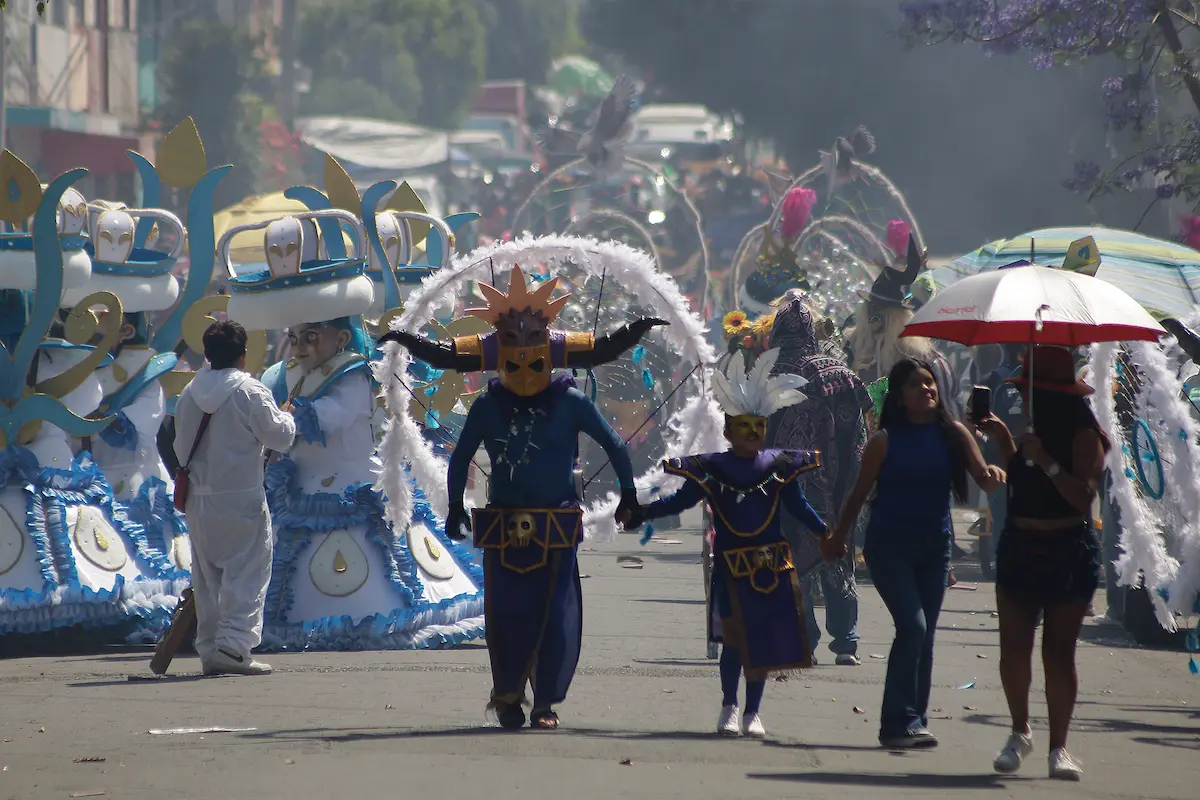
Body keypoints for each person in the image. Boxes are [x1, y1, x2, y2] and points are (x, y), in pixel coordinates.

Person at [382, 266, 659, 730]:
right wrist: (453, 507)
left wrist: (629, 495)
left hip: (556, 522)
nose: (526, 372)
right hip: (505, 524)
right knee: (507, 615)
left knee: (556, 613)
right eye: (515, 362)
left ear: (550, 356)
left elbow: (614, 443)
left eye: (535, 361)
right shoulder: (490, 406)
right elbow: (461, 456)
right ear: (499, 359)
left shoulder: (571, 403)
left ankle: (545, 701)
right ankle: (508, 694)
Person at [625, 348, 828, 738]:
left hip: (770, 566)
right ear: (729, 429)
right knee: (735, 639)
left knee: (761, 642)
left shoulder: (780, 466)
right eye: (743, 426)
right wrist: (641, 513)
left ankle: (754, 711)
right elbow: (680, 501)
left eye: (759, 426)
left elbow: (798, 507)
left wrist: (825, 533)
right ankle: (729, 706)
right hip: (731, 565)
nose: (752, 434)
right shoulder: (713, 468)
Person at [830, 358, 1004, 749]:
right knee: (913, 627)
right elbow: (857, 495)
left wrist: (999, 460)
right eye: (915, 385)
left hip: (935, 549)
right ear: (899, 395)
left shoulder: (954, 434)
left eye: (930, 383)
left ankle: (914, 721)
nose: (926, 389)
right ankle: (898, 721)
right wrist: (838, 539)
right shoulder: (884, 441)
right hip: (888, 546)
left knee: (924, 637)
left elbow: (984, 481)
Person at [975, 345, 1109, 780]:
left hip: (1068, 548)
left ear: (1055, 395)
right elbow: (1024, 477)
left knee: (1058, 651)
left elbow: (1082, 496)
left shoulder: (1085, 435)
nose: (1024, 398)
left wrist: (1047, 460)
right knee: (1013, 648)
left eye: (1030, 390)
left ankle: (1059, 747)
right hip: (1020, 543)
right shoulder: (1029, 429)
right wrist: (1005, 444)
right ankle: (1019, 732)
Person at [173, 321, 296, 676]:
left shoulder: (189, 392)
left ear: (207, 354)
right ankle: (234, 645)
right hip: (241, 497)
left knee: (207, 577)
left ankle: (211, 647)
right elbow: (279, 437)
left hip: (199, 498)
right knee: (247, 572)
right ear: (243, 355)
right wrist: (287, 417)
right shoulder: (250, 391)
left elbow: (178, 443)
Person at [766, 293, 870, 666]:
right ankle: (846, 641)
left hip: (785, 484)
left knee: (793, 560)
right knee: (839, 555)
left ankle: (805, 637)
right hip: (839, 484)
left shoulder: (769, 375)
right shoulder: (841, 374)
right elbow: (859, 434)